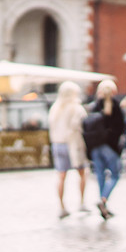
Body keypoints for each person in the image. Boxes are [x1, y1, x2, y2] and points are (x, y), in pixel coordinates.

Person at [48, 81, 88, 219]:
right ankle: (81, 203)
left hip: (57, 143)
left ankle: (62, 206)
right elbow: (80, 126)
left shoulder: (55, 107)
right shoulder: (76, 108)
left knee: (61, 176)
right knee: (82, 172)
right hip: (72, 143)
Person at [87, 80, 125, 220]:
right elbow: (121, 127)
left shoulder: (94, 106)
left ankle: (103, 205)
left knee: (100, 176)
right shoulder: (116, 106)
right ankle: (103, 200)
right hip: (109, 146)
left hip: (95, 147)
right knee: (115, 175)